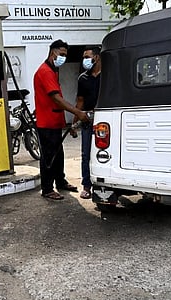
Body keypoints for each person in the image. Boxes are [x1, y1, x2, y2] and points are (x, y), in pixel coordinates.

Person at [33, 39, 89, 201]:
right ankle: (47, 188)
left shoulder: (53, 70)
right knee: (49, 156)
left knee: (58, 154)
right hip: (46, 123)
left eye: (65, 55)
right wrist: (77, 112)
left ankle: (60, 180)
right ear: (53, 53)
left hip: (55, 121)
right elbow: (56, 99)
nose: (63, 58)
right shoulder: (45, 72)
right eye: (62, 54)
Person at [72, 46, 101, 199]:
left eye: (87, 57)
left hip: (105, 120)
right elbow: (80, 102)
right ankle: (86, 185)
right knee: (86, 153)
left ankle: (103, 184)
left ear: (96, 57)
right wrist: (74, 122)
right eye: (84, 57)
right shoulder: (83, 78)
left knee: (104, 152)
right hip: (87, 120)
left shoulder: (108, 75)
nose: (85, 60)